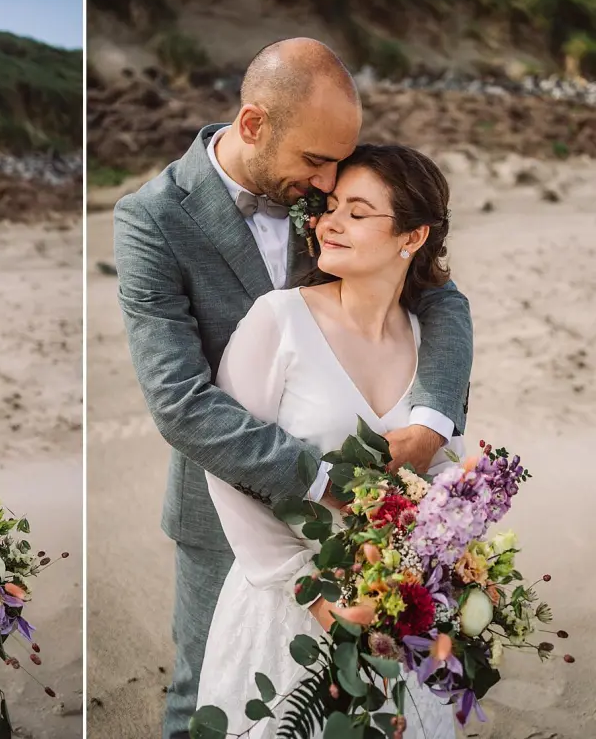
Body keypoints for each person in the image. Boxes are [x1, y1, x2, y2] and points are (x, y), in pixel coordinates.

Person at [113, 39, 473, 739]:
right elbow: (181, 403)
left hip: (377, 519)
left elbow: (440, 294)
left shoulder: (324, 190)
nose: (328, 182)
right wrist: (324, 484)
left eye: (341, 164)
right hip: (228, 507)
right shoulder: (152, 219)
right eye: (315, 161)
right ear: (254, 126)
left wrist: (431, 419)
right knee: (208, 693)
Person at [197, 143, 463, 737]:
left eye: (358, 211)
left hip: (398, 603)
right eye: (330, 206)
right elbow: (226, 467)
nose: (328, 222)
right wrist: (314, 591)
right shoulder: (279, 319)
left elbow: (441, 475)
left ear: (412, 237)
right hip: (285, 601)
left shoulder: (433, 341)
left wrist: (424, 571)